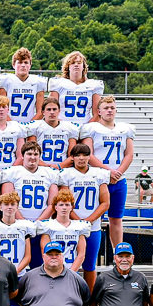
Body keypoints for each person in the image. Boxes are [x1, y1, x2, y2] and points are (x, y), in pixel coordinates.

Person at [80, 95, 135, 246]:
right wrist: (108, 171)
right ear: (98, 111)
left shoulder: (125, 129)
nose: (109, 111)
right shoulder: (91, 129)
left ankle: (118, 253)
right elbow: (88, 154)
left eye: (112, 108)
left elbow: (129, 154)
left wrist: (118, 173)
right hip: (98, 179)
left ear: (116, 110)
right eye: (106, 108)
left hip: (118, 180)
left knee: (116, 218)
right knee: (93, 218)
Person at [58, 143, 110, 290]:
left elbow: (105, 203)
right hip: (70, 226)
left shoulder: (99, 174)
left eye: (84, 155)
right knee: (67, 262)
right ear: (72, 158)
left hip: (93, 227)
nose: (81, 158)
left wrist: (88, 221)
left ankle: (89, 298)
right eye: (77, 155)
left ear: (89, 157)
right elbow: (64, 201)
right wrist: (78, 221)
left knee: (89, 265)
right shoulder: (65, 175)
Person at [1, 140, 59, 269]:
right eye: (29, 154)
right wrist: (24, 222)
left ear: (40, 156)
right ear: (22, 156)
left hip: (41, 226)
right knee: (17, 263)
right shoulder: (12, 172)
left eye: (36, 154)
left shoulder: (49, 173)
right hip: (18, 224)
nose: (32, 157)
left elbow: (52, 204)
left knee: (38, 265)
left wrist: (37, 223)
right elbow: (7, 199)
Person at [36, 189, 90, 273]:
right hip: (52, 271)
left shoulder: (79, 227)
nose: (64, 208)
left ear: (72, 207)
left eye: (67, 205)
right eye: (61, 205)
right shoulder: (48, 226)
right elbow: (45, 252)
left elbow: (81, 254)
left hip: (73, 271)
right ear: (55, 207)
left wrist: (71, 273)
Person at [49, 51, 104, 126]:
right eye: (73, 63)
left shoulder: (93, 85)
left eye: (79, 63)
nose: (76, 65)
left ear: (83, 66)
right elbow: (50, 110)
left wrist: (86, 129)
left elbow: (97, 114)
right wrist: (61, 126)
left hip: (85, 127)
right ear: (68, 66)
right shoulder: (58, 84)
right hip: (63, 128)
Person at [0, 48, 46, 123]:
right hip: (8, 126)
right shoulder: (6, 81)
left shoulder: (37, 82)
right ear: (13, 65)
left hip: (30, 126)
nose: (23, 65)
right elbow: (0, 109)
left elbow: (40, 112)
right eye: (20, 62)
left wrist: (29, 126)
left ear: (30, 65)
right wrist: (12, 125)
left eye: (26, 62)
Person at [27, 97, 78, 169]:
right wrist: (46, 166)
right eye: (48, 109)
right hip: (40, 168)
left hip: (62, 169)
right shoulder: (35, 127)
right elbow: (30, 153)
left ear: (59, 111)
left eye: (54, 109)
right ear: (43, 112)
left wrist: (59, 166)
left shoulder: (69, 128)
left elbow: (72, 156)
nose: (52, 112)